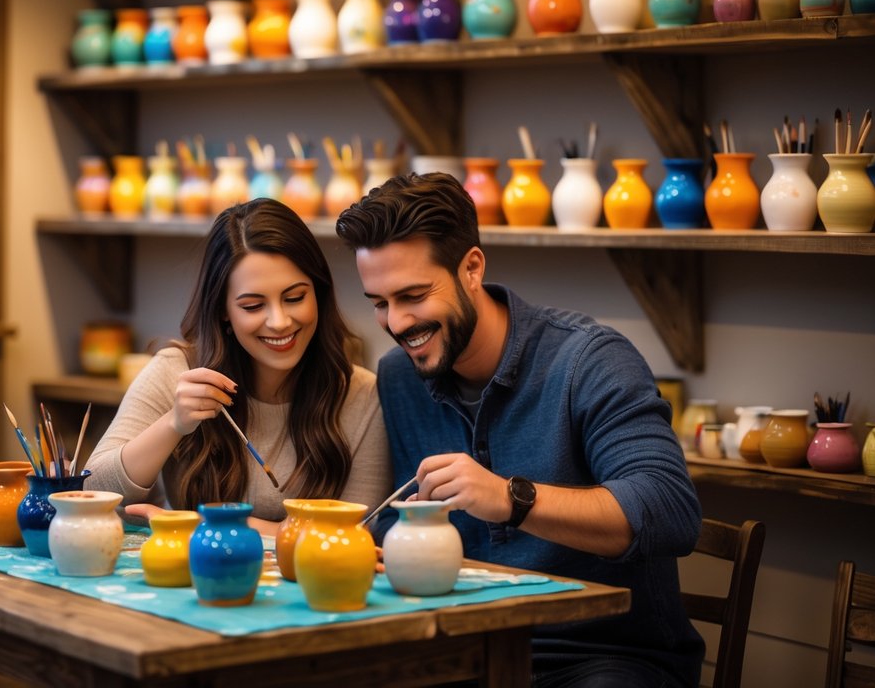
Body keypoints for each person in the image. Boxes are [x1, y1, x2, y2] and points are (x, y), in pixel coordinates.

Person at [335, 172, 704, 688]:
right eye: (379, 302)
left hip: (602, 658)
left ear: (471, 268)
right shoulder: (400, 377)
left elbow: (670, 511)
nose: (397, 323)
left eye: (413, 295)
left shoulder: (588, 360)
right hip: (460, 653)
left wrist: (511, 498)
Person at [86, 198, 391, 536]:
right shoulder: (179, 371)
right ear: (223, 311)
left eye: (294, 298)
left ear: (318, 293)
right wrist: (173, 424)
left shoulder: (362, 396)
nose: (279, 321)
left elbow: (355, 533)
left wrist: (205, 524)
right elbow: (94, 493)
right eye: (253, 305)